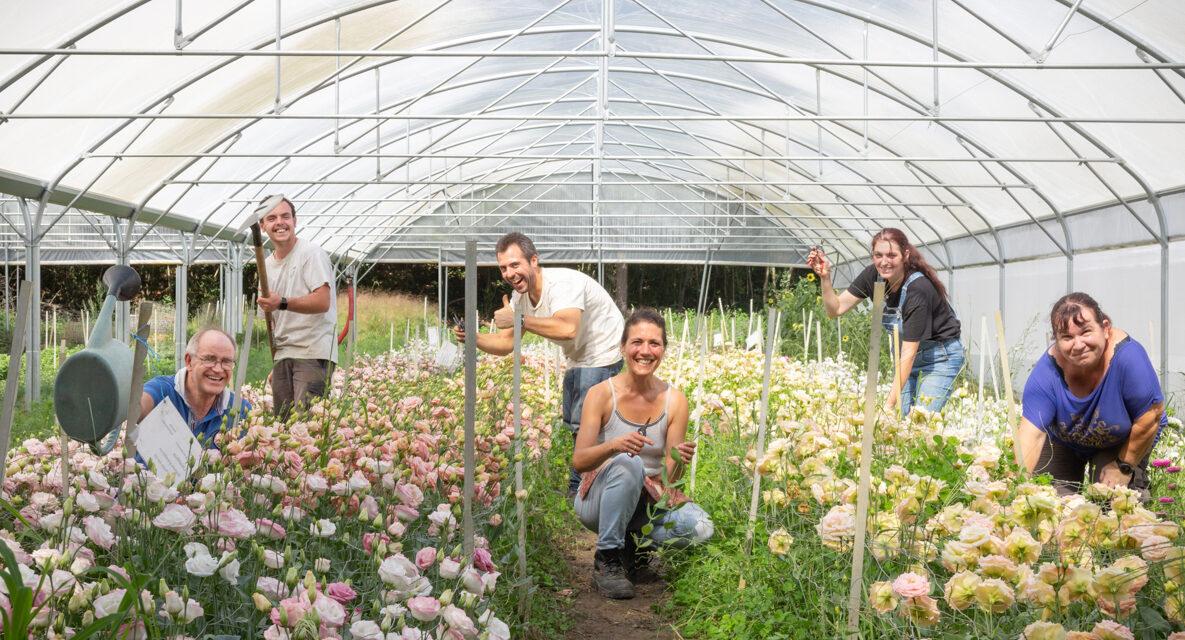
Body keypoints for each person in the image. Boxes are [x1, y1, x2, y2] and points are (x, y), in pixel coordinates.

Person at [455, 232, 624, 496]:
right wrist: (473, 338)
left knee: (586, 423)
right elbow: (506, 344)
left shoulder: (562, 284)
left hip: (604, 349)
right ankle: (594, 482)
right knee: (574, 422)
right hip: (578, 355)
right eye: (503, 268)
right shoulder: (519, 297)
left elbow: (568, 328)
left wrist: (520, 319)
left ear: (533, 261)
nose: (509, 273)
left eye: (515, 265)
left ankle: (581, 488)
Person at [572, 309, 714, 599]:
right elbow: (580, 460)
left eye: (654, 343)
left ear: (663, 350)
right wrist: (614, 446)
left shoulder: (675, 400)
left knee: (701, 528)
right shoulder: (601, 394)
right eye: (637, 342)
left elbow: (670, 478)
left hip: (647, 502)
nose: (645, 351)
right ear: (623, 347)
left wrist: (678, 459)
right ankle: (607, 559)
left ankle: (633, 548)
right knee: (628, 464)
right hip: (598, 501)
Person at [1016, 293, 1166, 497]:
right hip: (1065, 441)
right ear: (1056, 340)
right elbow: (1030, 436)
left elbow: (1151, 416)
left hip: (1121, 440)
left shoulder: (1128, 358)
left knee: (1112, 504)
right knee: (1049, 503)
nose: (1078, 345)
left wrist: (1124, 466)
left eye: (1086, 332)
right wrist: (1015, 487)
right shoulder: (1046, 373)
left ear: (1105, 328)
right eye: (1067, 337)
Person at [808, 228, 965, 416]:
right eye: (878, 255)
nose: (884, 262)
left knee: (920, 421)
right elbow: (836, 309)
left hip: (940, 357)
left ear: (905, 255)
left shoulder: (918, 289)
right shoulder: (873, 276)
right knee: (899, 422)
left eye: (892, 255)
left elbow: (909, 352)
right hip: (905, 358)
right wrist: (825, 277)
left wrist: (887, 409)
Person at [255, 194, 338, 419]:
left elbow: (322, 301)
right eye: (271, 218)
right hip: (284, 353)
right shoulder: (266, 266)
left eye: (285, 216)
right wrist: (278, 361)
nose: (280, 222)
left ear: (295, 221)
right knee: (282, 423)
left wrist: (281, 302)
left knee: (307, 423)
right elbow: (274, 320)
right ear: (263, 226)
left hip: (312, 352)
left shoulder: (311, 254)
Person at [139, 328, 250, 448]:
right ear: (189, 361)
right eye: (209, 359)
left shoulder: (239, 411)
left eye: (226, 361)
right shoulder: (161, 390)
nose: (218, 369)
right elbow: (136, 406)